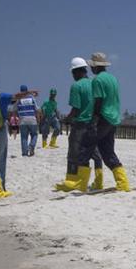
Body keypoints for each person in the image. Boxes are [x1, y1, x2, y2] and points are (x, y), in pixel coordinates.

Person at [0, 73, 36, 189]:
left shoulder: (0, 97)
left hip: (0, 129)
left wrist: (28, 93)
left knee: (1, 159)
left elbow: (15, 96)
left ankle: (1, 186)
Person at [87, 51, 130, 191]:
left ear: (95, 67)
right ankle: (123, 183)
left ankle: (86, 181)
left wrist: (93, 119)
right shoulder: (113, 79)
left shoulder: (97, 80)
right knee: (108, 152)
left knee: (88, 147)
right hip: (113, 119)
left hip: (103, 118)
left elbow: (98, 101)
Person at [53, 57, 96, 192]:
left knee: (73, 154)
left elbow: (76, 109)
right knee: (88, 154)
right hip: (93, 124)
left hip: (80, 124)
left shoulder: (76, 86)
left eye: (73, 73)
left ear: (77, 72)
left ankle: (71, 181)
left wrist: (66, 119)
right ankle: (84, 183)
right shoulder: (93, 84)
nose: (72, 76)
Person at [15, 84, 41, 156]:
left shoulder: (19, 99)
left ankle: (24, 152)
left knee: (24, 137)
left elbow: (14, 109)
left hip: (22, 120)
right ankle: (31, 146)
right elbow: (37, 109)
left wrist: (16, 117)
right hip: (32, 119)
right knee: (34, 134)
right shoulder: (32, 98)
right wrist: (38, 118)